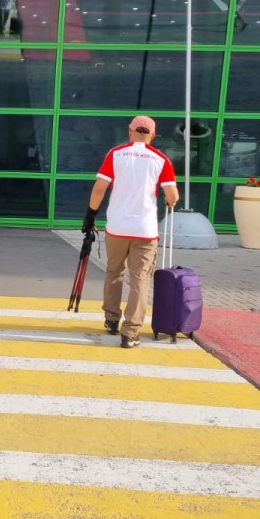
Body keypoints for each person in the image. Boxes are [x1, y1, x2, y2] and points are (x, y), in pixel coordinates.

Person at [81, 115, 180, 348]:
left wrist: (90, 216)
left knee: (114, 271)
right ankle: (130, 332)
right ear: (152, 135)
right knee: (140, 279)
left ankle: (111, 320)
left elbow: (99, 188)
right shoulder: (161, 159)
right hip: (145, 230)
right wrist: (170, 200)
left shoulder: (115, 154)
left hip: (117, 227)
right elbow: (172, 196)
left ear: (130, 131)